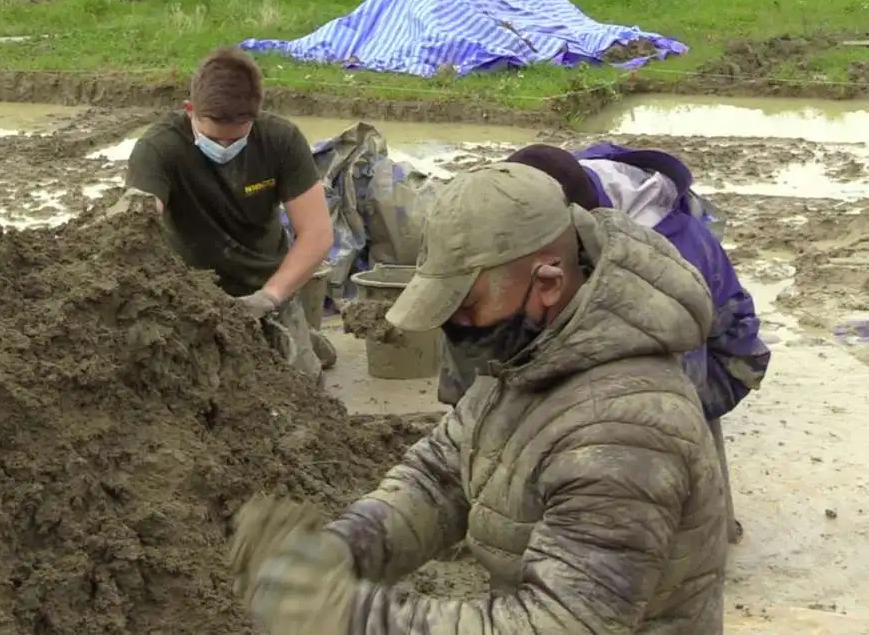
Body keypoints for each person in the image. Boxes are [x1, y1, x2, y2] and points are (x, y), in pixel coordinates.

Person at [230, 163, 728, 635]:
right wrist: (346, 549)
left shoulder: (622, 431)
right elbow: (440, 474)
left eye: (465, 306)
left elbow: (557, 624)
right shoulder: (536, 351)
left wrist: (346, 615)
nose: (454, 326)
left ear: (548, 282)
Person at [488, 143, 771, 544]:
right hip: (664, 341)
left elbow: (697, 350)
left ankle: (657, 534)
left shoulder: (662, 250)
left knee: (617, 406)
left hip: (719, 362)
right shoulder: (561, 187)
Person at [123, 46, 336, 384]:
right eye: (212, 138)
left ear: (255, 115)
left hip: (266, 286)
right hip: (190, 298)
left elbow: (317, 233)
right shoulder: (159, 148)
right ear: (190, 110)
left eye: (234, 140)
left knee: (304, 387)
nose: (223, 149)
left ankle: (303, 337)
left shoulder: (281, 140)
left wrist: (270, 297)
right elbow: (136, 224)